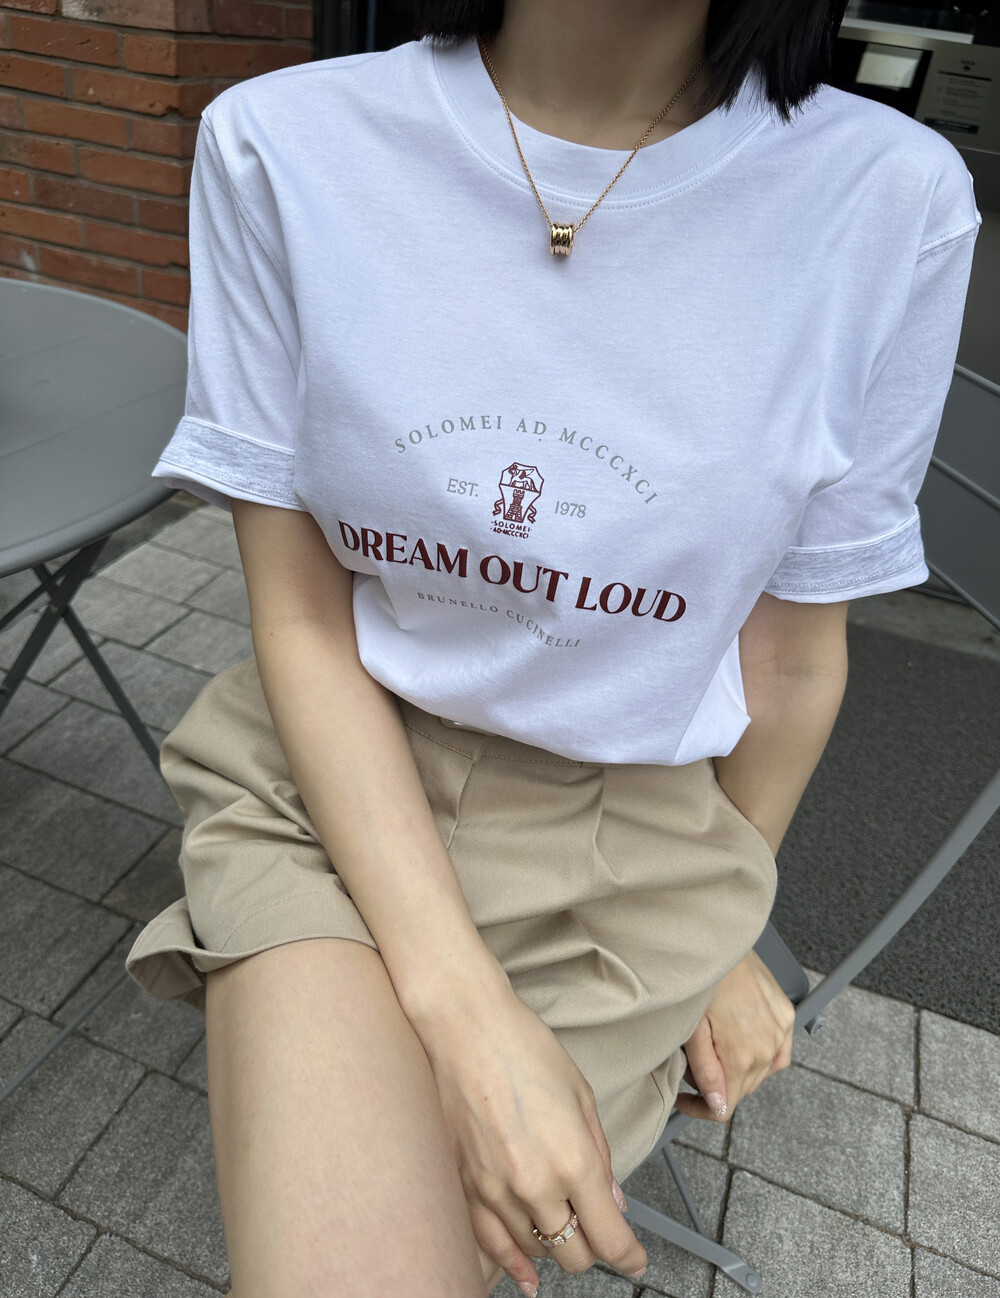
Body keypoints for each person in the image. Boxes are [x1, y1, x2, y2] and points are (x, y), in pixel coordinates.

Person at [124, 0, 981, 1293]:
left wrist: (723, 914)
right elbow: (301, 618)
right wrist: (470, 1022)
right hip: (336, 777)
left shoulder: (887, 201)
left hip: (634, 848)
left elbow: (794, 662)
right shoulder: (282, 145)